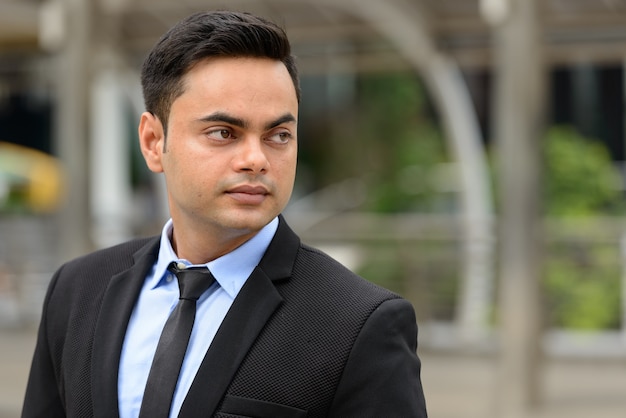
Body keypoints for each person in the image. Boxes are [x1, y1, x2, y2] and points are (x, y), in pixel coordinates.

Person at [22, 10, 427, 418]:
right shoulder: (77, 290)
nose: (256, 159)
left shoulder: (357, 324)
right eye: (223, 133)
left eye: (278, 135)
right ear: (152, 141)